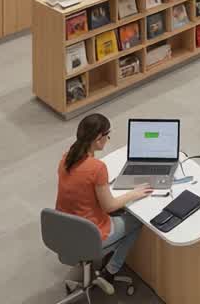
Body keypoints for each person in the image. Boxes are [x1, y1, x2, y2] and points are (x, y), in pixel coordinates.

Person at [56, 113, 152, 294]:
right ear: (99, 139)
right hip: (91, 233)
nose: (108, 138)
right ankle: (111, 271)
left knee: (120, 212)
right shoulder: (97, 168)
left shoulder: (66, 158)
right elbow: (109, 207)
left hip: (65, 229)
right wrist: (134, 193)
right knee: (136, 220)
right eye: (107, 135)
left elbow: (80, 188)